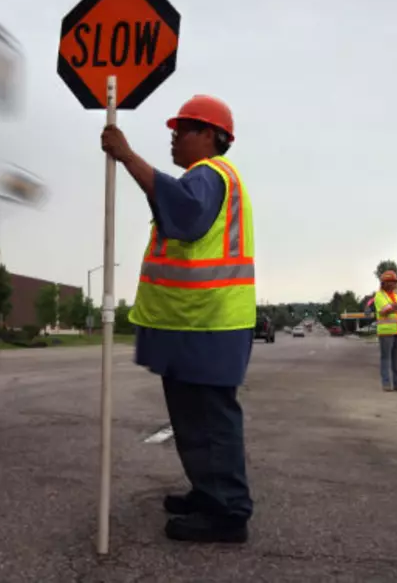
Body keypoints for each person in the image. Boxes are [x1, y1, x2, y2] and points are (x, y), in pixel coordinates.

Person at [100, 94, 255, 544]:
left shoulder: (209, 175)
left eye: (183, 129)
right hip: (196, 324)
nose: (174, 136)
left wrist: (126, 155)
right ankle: (209, 493)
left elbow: (183, 215)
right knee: (194, 418)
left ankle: (228, 512)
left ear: (211, 136)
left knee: (209, 419)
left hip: (209, 323)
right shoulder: (205, 179)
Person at [373, 270, 397, 393]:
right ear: (384, 283)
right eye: (392, 282)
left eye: (396, 282)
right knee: (386, 358)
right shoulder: (379, 296)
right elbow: (386, 310)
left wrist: (396, 306)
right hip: (386, 332)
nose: (395, 284)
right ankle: (386, 384)